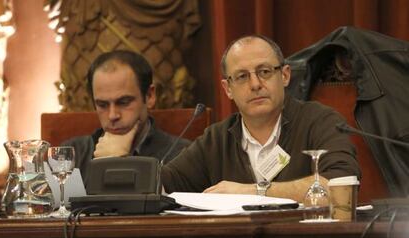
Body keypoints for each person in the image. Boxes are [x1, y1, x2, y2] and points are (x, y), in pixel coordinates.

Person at [162, 35, 360, 202]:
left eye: (264, 72)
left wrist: (253, 191)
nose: (255, 84)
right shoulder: (216, 139)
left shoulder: (321, 121)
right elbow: (164, 183)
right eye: (241, 76)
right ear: (228, 89)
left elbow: (342, 188)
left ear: (285, 75)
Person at [63, 50, 190, 181]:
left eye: (124, 102)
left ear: (150, 96)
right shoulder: (72, 153)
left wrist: (122, 166)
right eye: (102, 104)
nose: (113, 115)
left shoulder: (182, 154)